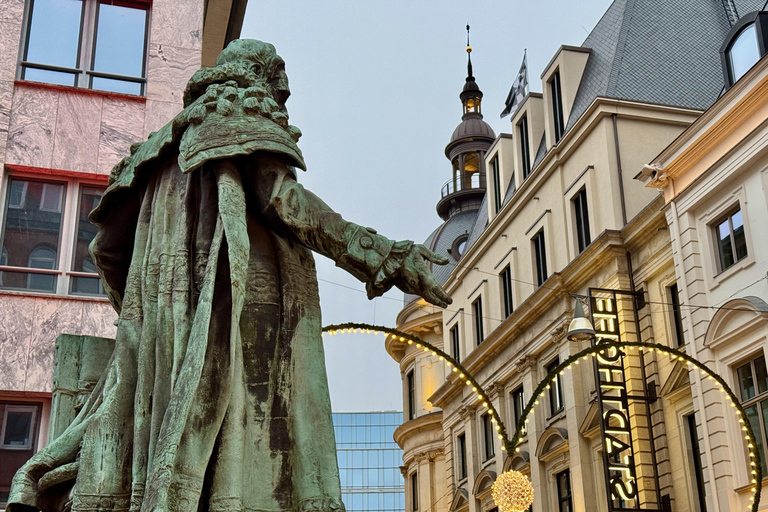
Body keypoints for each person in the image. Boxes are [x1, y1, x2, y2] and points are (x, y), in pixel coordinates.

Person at [8, 39, 451, 512]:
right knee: (249, 437)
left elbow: (105, 249)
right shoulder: (236, 113)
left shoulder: (157, 151)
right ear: (264, 81)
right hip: (242, 313)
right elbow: (283, 201)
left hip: (163, 331)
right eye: (281, 95)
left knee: (182, 443)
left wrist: (152, 311)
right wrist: (386, 255)